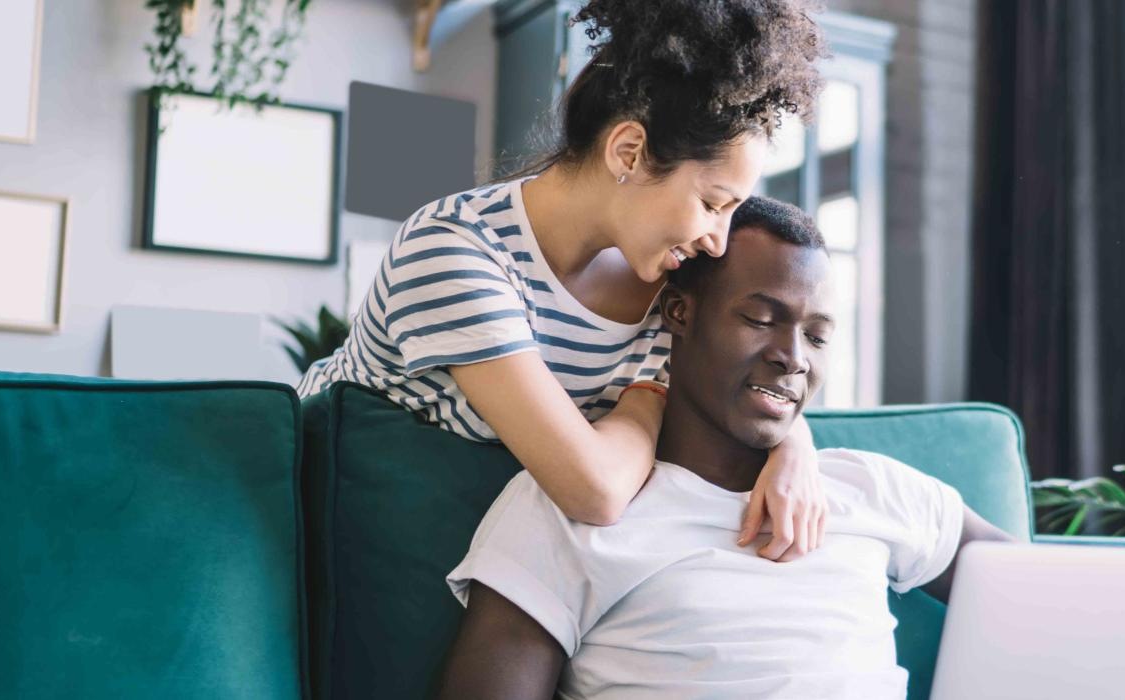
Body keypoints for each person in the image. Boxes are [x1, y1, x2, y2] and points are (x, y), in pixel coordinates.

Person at [296, 0, 833, 559]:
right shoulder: (454, 251)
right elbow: (594, 491)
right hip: (321, 519)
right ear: (629, 152)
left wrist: (794, 447)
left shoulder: (675, 271)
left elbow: (764, 368)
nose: (719, 240)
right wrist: (647, 399)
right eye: (711, 204)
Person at [435, 197, 1016, 699]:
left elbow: (1042, 595)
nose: (794, 357)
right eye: (761, 319)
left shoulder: (873, 488)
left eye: (816, 336)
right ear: (680, 313)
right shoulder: (564, 510)